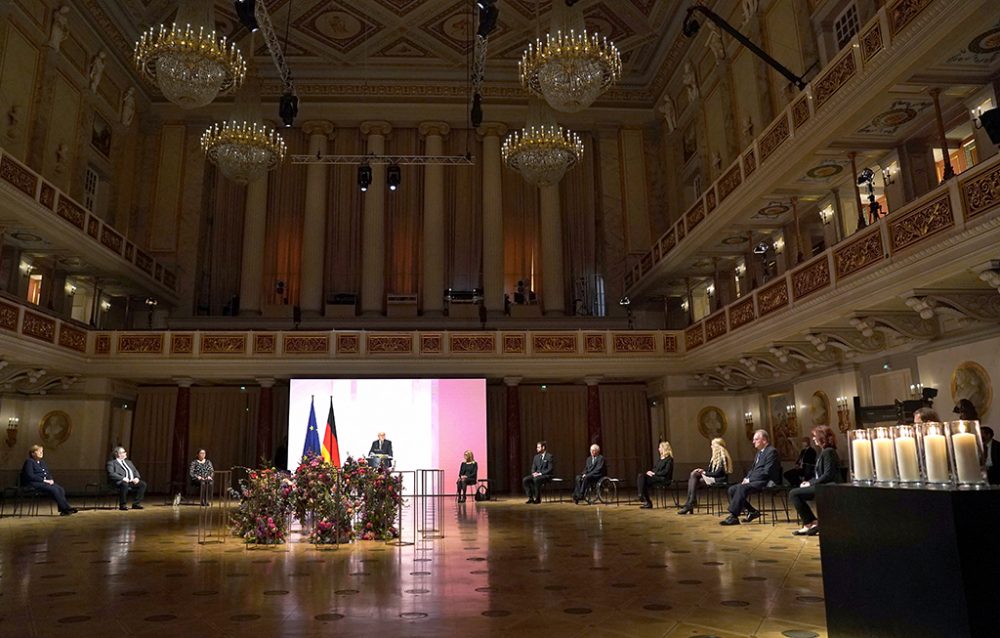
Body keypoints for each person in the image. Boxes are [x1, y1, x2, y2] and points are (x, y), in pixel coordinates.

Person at [720, 429, 781, 526]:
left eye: (756, 439)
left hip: (765, 481)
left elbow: (767, 471)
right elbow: (752, 469)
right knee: (732, 489)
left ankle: (733, 516)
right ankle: (752, 511)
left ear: (764, 440)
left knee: (741, 488)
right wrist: (746, 478)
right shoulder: (759, 453)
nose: (753, 442)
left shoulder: (771, 452)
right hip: (755, 480)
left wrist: (750, 479)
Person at [790, 425, 841, 536]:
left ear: (821, 437)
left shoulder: (828, 452)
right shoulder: (824, 452)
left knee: (794, 494)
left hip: (828, 486)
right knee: (796, 493)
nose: (813, 439)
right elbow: (820, 475)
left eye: (814, 436)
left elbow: (828, 474)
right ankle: (812, 522)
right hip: (823, 484)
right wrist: (809, 482)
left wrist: (810, 483)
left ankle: (810, 523)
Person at [678, 437, 732, 514]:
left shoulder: (723, 458)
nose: (711, 447)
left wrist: (704, 473)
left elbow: (718, 473)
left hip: (718, 479)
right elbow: (710, 472)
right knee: (694, 475)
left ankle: (690, 503)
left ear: (717, 446)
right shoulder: (714, 458)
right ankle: (691, 502)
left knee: (694, 476)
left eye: (712, 445)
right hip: (712, 478)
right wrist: (702, 471)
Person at [21, 445, 77, 515]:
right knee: (54, 489)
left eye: (42, 451)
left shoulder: (42, 462)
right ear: (32, 453)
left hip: (43, 483)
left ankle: (64, 510)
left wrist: (50, 479)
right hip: (33, 483)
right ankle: (66, 508)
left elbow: (47, 473)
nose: (41, 453)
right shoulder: (29, 462)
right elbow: (30, 475)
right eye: (39, 451)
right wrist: (44, 481)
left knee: (60, 489)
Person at [106, 446, 146, 510]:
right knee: (124, 484)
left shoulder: (129, 462)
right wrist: (122, 478)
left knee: (142, 484)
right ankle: (123, 505)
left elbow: (135, 471)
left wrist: (137, 478)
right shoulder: (111, 463)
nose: (125, 453)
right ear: (118, 454)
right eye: (124, 452)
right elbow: (111, 474)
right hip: (119, 482)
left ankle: (136, 504)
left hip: (130, 481)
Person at [637, 441, 674, 508]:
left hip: (664, 479)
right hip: (656, 477)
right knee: (641, 477)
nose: (658, 449)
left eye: (660, 447)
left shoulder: (669, 460)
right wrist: (650, 472)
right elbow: (655, 469)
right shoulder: (659, 459)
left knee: (643, 480)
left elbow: (666, 472)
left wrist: (654, 473)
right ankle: (642, 496)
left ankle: (645, 499)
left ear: (664, 449)